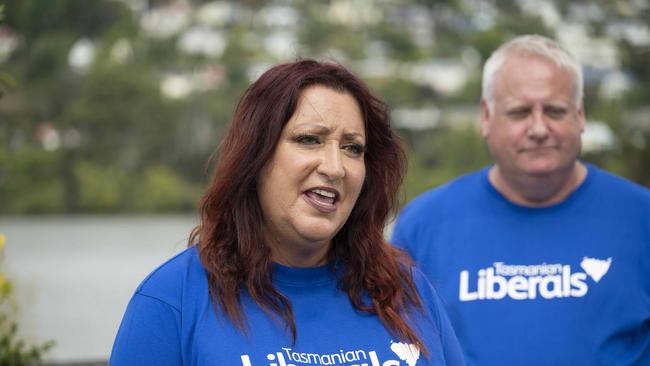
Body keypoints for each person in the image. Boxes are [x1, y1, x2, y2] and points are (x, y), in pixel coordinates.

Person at [109, 59, 465, 366]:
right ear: (256, 157)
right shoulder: (174, 299)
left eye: (353, 148)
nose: (336, 167)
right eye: (310, 139)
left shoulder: (407, 289)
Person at [391, 34, 650, 365]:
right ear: (486, 117)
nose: (539, 128)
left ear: (581, 116)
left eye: (555, 111)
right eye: (520, 112)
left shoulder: (641, 218)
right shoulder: (423, 225)